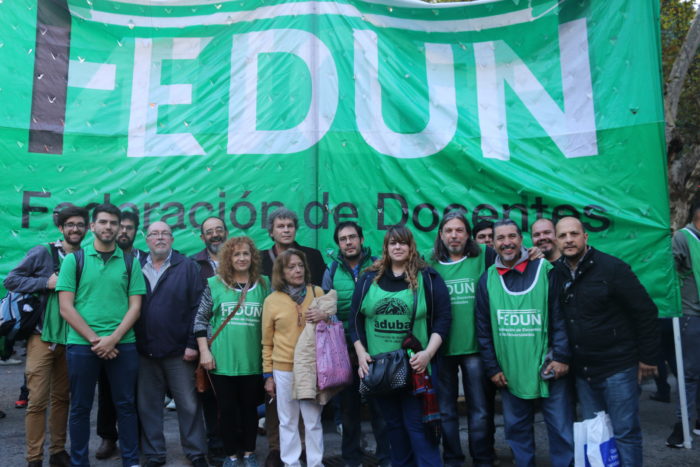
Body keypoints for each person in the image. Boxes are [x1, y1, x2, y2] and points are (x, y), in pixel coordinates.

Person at [553, 217, 658, 466]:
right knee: (596, 432)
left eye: (574, 234)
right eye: (563, 236)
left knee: (625, 433)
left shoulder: (612, 268)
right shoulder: (556, 273)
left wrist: (648, 357)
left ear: (585, 236)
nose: (569, 240)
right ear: (557, 241)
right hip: (584, 372)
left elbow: (645, 312)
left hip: (617, 368)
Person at [349, 225, 451, 466]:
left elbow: (443, 318)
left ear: (410, 246)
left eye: (402, 242)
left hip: (416, 367)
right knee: (393, 426)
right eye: (392, 243)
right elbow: (354, 320)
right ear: (385, 247)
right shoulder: (368, 278)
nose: (397, 247)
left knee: (418, 427)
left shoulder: (427, 277)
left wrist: (427, 354)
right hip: (380, 370)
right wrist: (362, 354)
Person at [475, 219, 574, 467]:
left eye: (512, 237)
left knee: (561, 428)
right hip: (510, 370)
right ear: (494, 244)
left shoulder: (545, 270)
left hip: (549, 366)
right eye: (500, 238)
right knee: (517, 431)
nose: (506, 243)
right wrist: (492, 368)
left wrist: (561, 356)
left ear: (521, 239)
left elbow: (560, 318)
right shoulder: (486, 279)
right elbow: (483, 329)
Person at [57, 203, 146, 467]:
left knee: (126, 406)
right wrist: (98, 340)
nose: (108, 227)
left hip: (123, 345)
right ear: (93, 226)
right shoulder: (75, 260)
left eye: (113, 223)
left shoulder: (131, 263)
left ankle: (131, 461)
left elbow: (136, 307)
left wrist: (113, 339)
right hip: (83, 346)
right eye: (103, 222)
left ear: (119, 228)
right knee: (81, 408)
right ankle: (79, 461)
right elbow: (65, 307)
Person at [4, 205, 90, 467]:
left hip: (73, 338)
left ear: (86, 228)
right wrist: (44, 283)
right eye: (70, 225)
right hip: (42, 337)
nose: (75, 229)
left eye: (80, 224)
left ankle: (57, 452)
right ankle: (33, 458)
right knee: (37, 400)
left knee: (62, 398)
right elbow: (12, 280)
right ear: (61, 228)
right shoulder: (44, 252)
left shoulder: (88, 256)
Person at [427, 211, 497, 467]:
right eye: (449, 231)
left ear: (468, 235)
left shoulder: (485, 258)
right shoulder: (428, 263)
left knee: (479, 411)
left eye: (459, 230)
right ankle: (453, 459)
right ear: (441, 235)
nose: (454, 235)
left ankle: (483, 459)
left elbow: (513, 260)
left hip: (475, 347)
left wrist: (532, 254)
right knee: (445, 411)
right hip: (442, 348)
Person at [135, 221, 208, 467]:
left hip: (180, 351)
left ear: (172, 239)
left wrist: (192, 344)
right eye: (154, 234)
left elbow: (198, 307)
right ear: (146, 240)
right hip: (144, 350)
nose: (160, 238)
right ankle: (155, 454)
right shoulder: (136, 267)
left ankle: (196, 452)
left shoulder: (187, 266)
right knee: (148, 406)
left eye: (165, 233)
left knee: (188, 405)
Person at [195, 236, 269, 467]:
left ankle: (249, 453)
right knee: (226, 412)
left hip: (253, 362)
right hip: (222, 362)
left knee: (249, 411)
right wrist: (205, 352)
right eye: (236, 254)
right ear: (228, 258)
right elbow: (200, 320)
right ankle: (230, 455)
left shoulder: (264, 284)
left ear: (252, 257)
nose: (241, 258)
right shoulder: (214, 284)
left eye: (246, 253)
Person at [260, 207, 326, 467]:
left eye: (300, 266)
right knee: (286, 419)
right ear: (281, 272)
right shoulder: (272, 300)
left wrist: (325, 317)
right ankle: (291, 463)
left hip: (311, 366)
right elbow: (267, 341)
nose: (297, 270)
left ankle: (316, 462)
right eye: (291, 267)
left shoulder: (318, 292)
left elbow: (330, 329)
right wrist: (268, 375)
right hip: (283, 369)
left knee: (312, 420)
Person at [321, 221, 390, 467]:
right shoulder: (332, 270)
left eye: (352, 237)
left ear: (361, 239)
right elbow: (327, 307)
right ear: (338, 244)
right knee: (348, 410)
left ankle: (385, 458)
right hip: (346, 349)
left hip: (377, 346)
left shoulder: (380, 265)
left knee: (380, 409)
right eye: (343, 239)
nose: (348, 242)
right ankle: (351, 459)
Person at [97, 209, 148, 459]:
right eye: (121, 227)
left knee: (135, 392)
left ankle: (136, 439)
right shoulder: (99, 258)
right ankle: (108, 438)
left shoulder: (146, 259)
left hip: (140, 336)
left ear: (135, 231)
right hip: (110, 338)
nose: (124, 231)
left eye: (129, 228)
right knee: (107, 390)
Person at [190, 215, 229, 464]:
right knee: (209, 395)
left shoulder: (241, 260)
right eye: (209, 232)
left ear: (226, 233)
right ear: (202, 237)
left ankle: (235, 443)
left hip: (237, 340)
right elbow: (189, 307)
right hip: (206, 341)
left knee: (234, 396)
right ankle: (215, 444)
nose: (215, 235)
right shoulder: (194, 265)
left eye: (219, 230)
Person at [667, 203, 700, 446]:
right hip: (691, 316)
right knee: (688, 375)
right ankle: (682, 427)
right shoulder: (682, 237)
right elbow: (668, 270)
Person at [261, 207, 326, 286]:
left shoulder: (313, 256)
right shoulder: (260, 259)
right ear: (271, 232)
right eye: (281, 226)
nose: (286, 230)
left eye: (290, 226)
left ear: (295, 229)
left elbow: (322, 290)